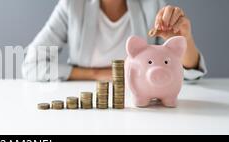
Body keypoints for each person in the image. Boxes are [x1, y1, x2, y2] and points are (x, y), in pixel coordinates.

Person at [22, 0, 206, 82]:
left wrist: (185, 40)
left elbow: (189, 75)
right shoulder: (72, 5)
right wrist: (96, 74)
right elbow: (31, 65)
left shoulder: (153, 4)